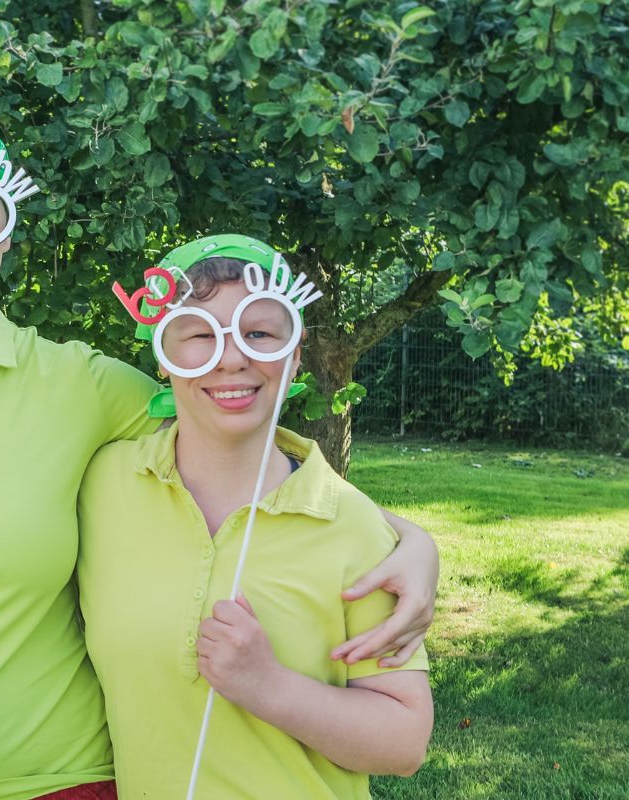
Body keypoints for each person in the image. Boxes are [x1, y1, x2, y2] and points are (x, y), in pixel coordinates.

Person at [0, 109, 439, 800]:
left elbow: (231, 432)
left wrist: (407, 540)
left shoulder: (86, 387)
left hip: (60, 782)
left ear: (6, 232)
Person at [80, 235, 434, 799]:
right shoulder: (102, 485)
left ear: (295, 354)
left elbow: (405, 742)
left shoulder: (354, 527)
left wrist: (269, 687)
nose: (232, 358)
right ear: (163, 356)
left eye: (259, 332)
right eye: (199, 335)